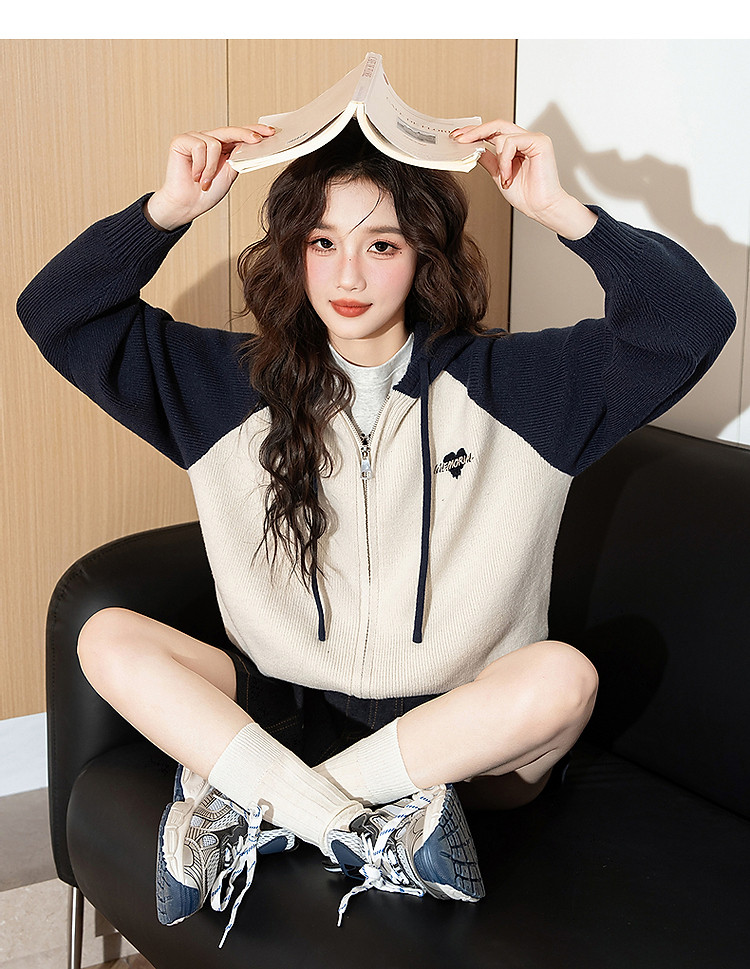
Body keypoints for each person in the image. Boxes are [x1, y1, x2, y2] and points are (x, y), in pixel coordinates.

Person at [18, 115, 735, 942]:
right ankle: (340, 823)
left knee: (563, 677)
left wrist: (562, 210)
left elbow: (690, 323)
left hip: (461, 737)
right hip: (282, 708)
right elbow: (58, 311)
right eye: (322, 243)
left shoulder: (523, 386)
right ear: (293, 254)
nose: (348, 273)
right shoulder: (228, 385)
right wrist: (166, 211)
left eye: (382, 245)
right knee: (106, 635)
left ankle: (256, 805)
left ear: (424, 257)